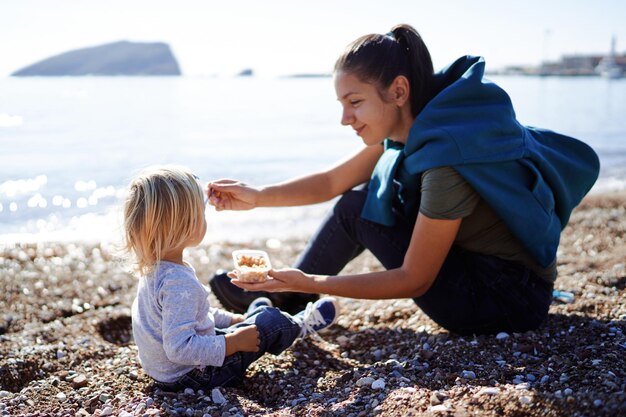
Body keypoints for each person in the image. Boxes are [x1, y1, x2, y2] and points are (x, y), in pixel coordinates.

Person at [207, 24, 599, 335]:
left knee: (356, 210)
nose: (345, 118)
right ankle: (285, 301)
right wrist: (256, 196)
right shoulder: (408, 131)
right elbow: (330, 182)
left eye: (355, 102)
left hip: (505, 299)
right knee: (353, 204)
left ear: (398, 91)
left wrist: (310, 280)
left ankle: (286, 298)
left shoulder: (445, 156)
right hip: (480, 270)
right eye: (342, 104)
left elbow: (414, 279)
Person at [123, 166, 339, 390]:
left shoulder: (155, 269)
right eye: (201, 213)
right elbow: (179, 348)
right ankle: (299, 325)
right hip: (197, 376)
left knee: (250, 321)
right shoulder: (178, 282)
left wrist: (231, 320)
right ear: (185, 225)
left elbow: (194, 315)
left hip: (167, 372)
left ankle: (249, 317)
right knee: (270, 322)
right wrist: (232, 343)